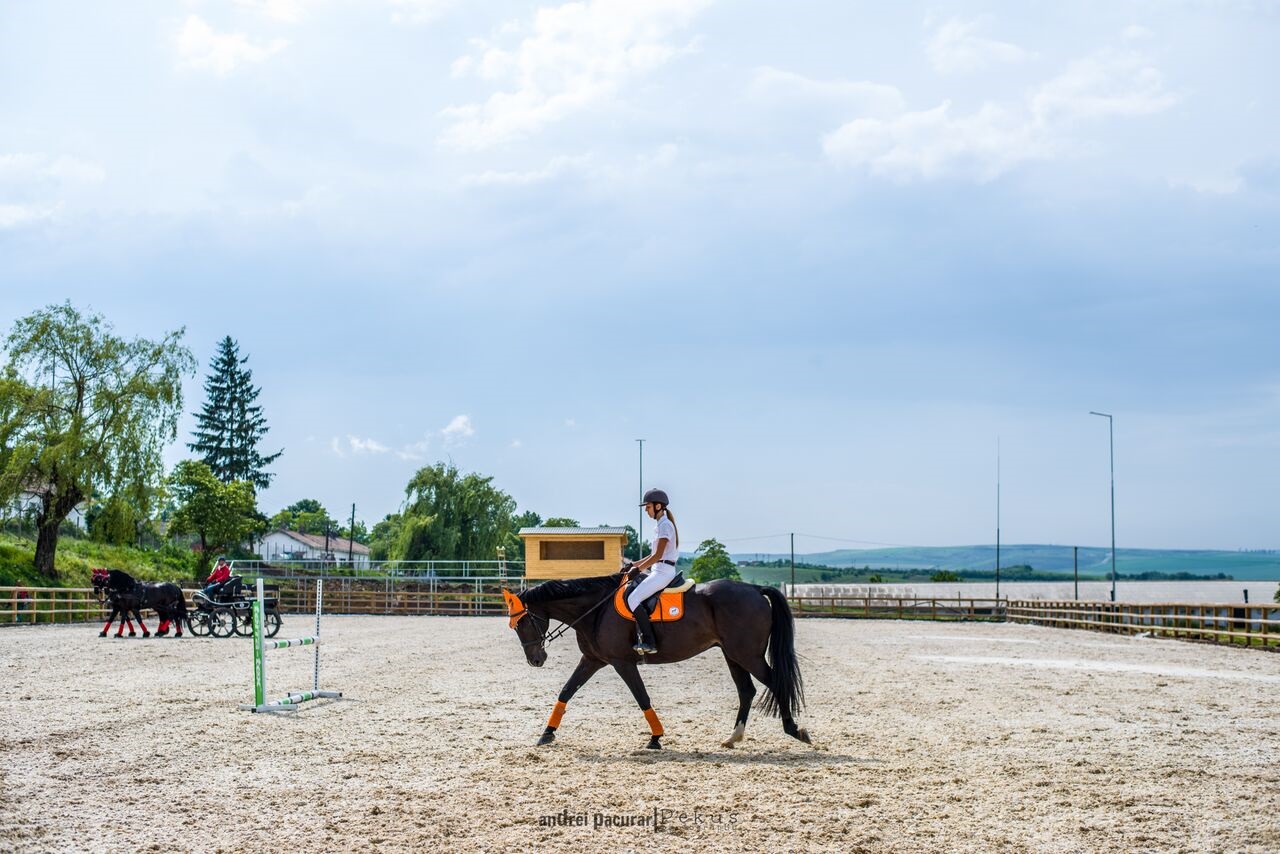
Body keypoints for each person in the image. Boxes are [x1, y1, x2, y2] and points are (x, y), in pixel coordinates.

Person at [625, 488, 680, 655]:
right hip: (658, 569)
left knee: (633, 598)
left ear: (658, 506)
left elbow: (657, 555)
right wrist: (633, 564)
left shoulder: (665, 525)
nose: (646, 510)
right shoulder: (660, 525)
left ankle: (650, 641)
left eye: (647, 507)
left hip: (663, 572)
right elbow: (652, 555)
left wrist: (638, 570)